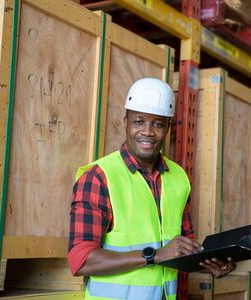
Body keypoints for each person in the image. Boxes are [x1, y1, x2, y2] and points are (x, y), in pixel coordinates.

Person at [68, 78, 236, 299]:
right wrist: (154, 256)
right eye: (139, 121)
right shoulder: (99, 178)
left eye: (157, 124)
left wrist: (211, 263)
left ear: (168, 127)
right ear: (125, 122)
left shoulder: (178, 178)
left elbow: (182, 250)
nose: (147, 131)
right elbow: (81, 260)